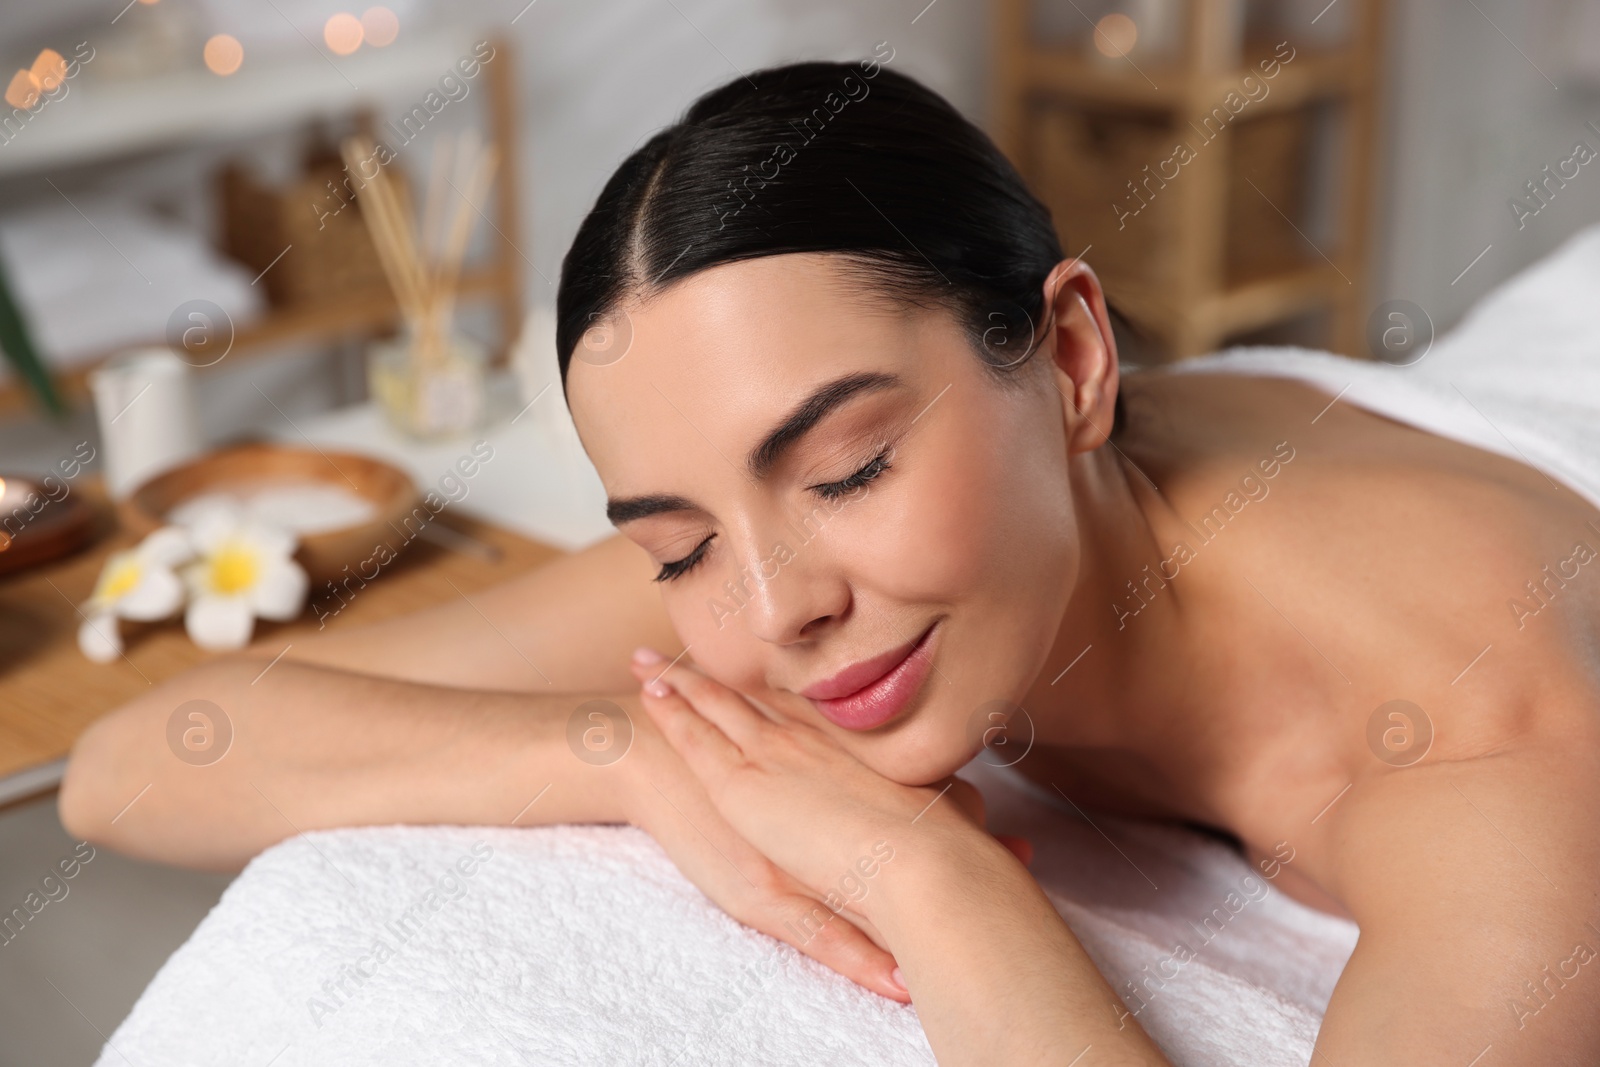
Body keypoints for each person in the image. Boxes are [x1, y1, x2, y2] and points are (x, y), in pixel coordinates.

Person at [61, 60, 1600, 1065]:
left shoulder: (1496, 739)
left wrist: (925, 878)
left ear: (1069, 358)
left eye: (850, 467)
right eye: (674, 543)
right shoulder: (778, 569)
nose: (778, 607)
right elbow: (134, 765)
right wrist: (627, 757)